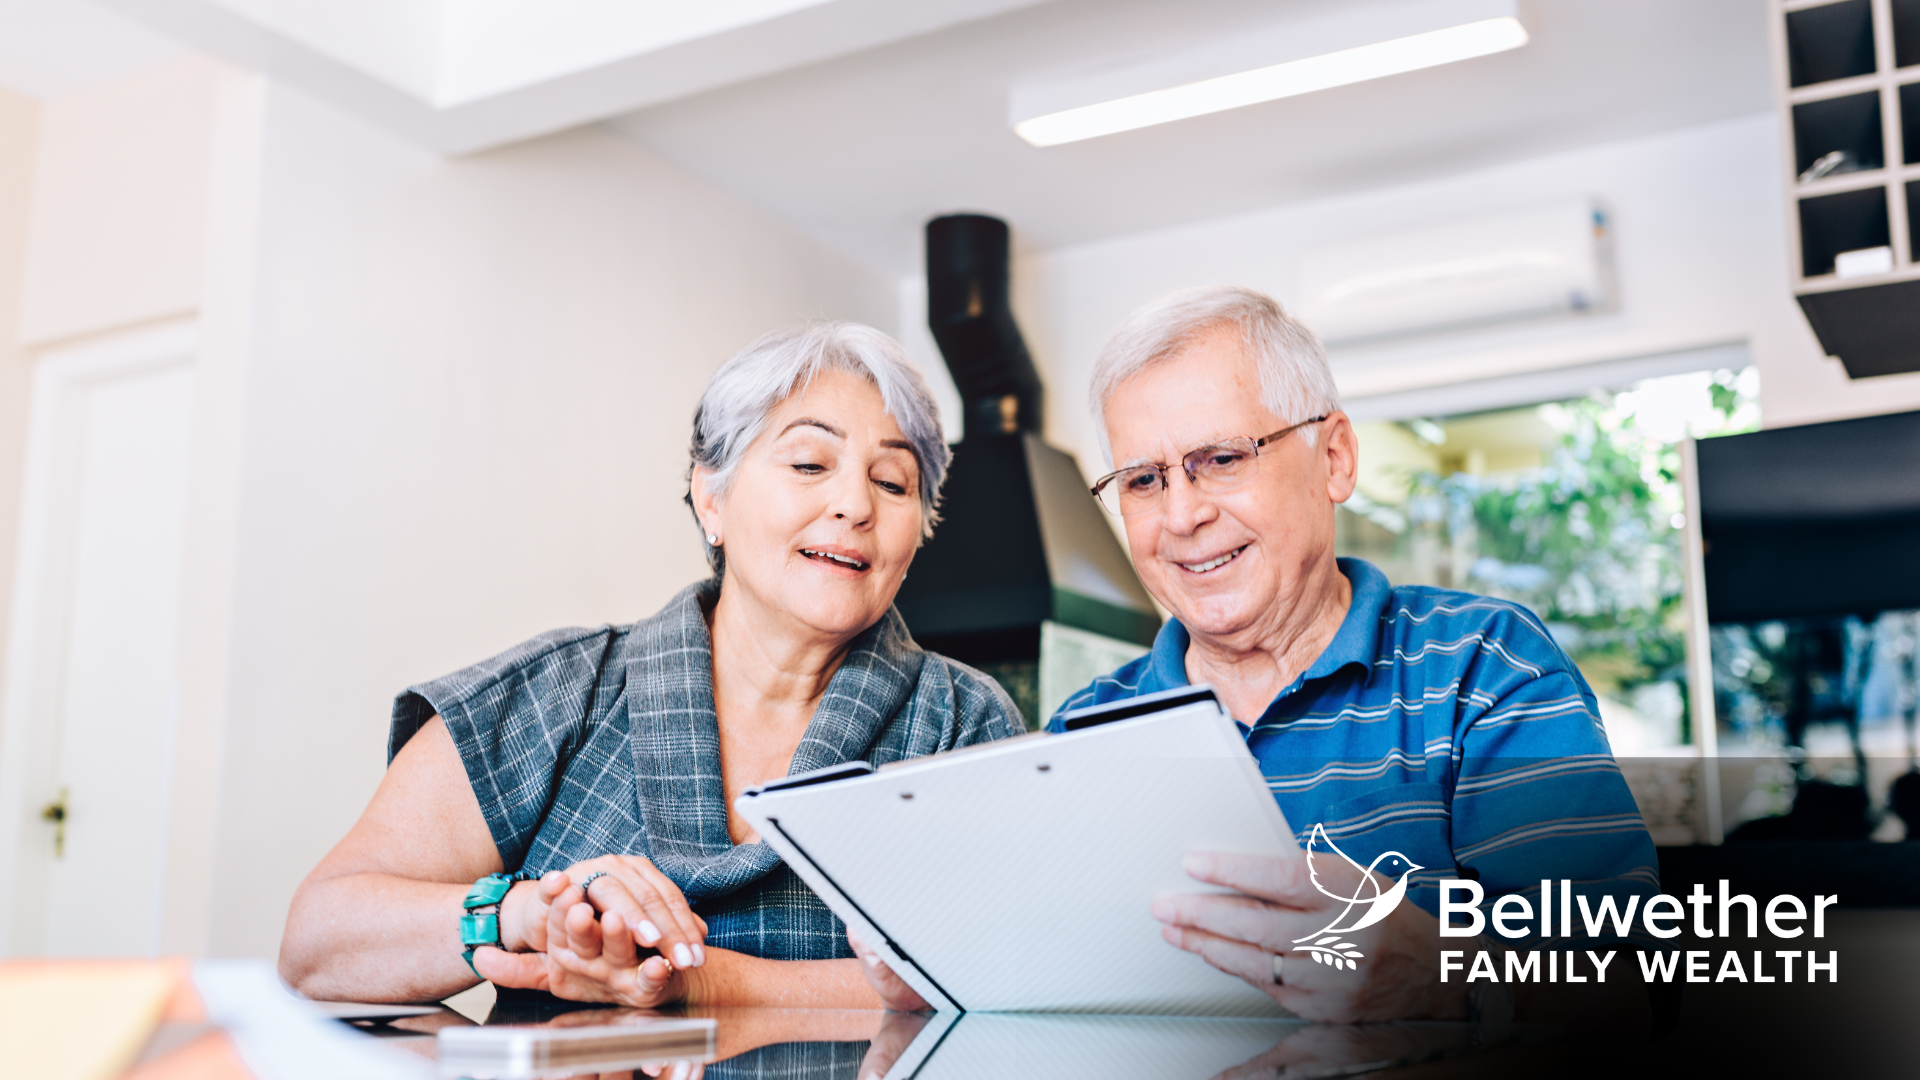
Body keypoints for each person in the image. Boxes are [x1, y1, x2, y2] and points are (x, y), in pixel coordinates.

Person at [279, 323, 1020, 1008]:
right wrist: (531, 912)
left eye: (893, 483)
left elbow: (1006, 977)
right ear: (712, 497)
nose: (855, 503)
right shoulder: (560, 691)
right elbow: (316, 945)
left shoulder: (963, 722)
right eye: (808, 462)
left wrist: (696, 981)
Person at [1055, 286, 1657, 1029]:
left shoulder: (1484, 668)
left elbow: (1629, 989)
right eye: (1144, 480)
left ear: (1333, 458)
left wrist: (1442, 978)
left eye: (1220, 458)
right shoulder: (1082, 731)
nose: (1182, 515)